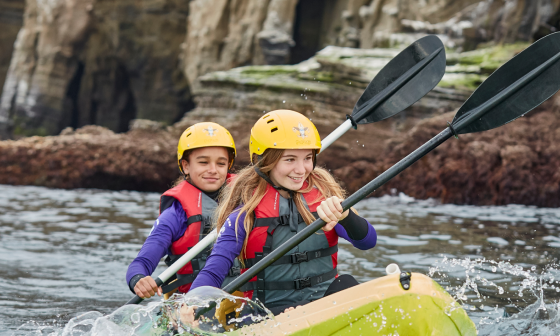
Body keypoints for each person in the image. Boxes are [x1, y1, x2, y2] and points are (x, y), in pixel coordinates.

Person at [187, 109, 377, 316]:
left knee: (348, 283)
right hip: (270, 313)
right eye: (289, 160)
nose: (301, 169)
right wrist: (191, 305)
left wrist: (346, 215)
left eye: (307, 158)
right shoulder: (245, 215)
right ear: (264, 161)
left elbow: (367, 242)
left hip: (322, 306)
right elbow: (214, 270)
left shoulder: (324, 199)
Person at [126, 122, 238, 299]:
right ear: (186, 166)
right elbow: (141, 262)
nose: (213, 170)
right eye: (203, 162)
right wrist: (139, 279)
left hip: (241, 298)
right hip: (192, 305)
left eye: (221, 163)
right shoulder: (176, 214)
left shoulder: (246, 197)